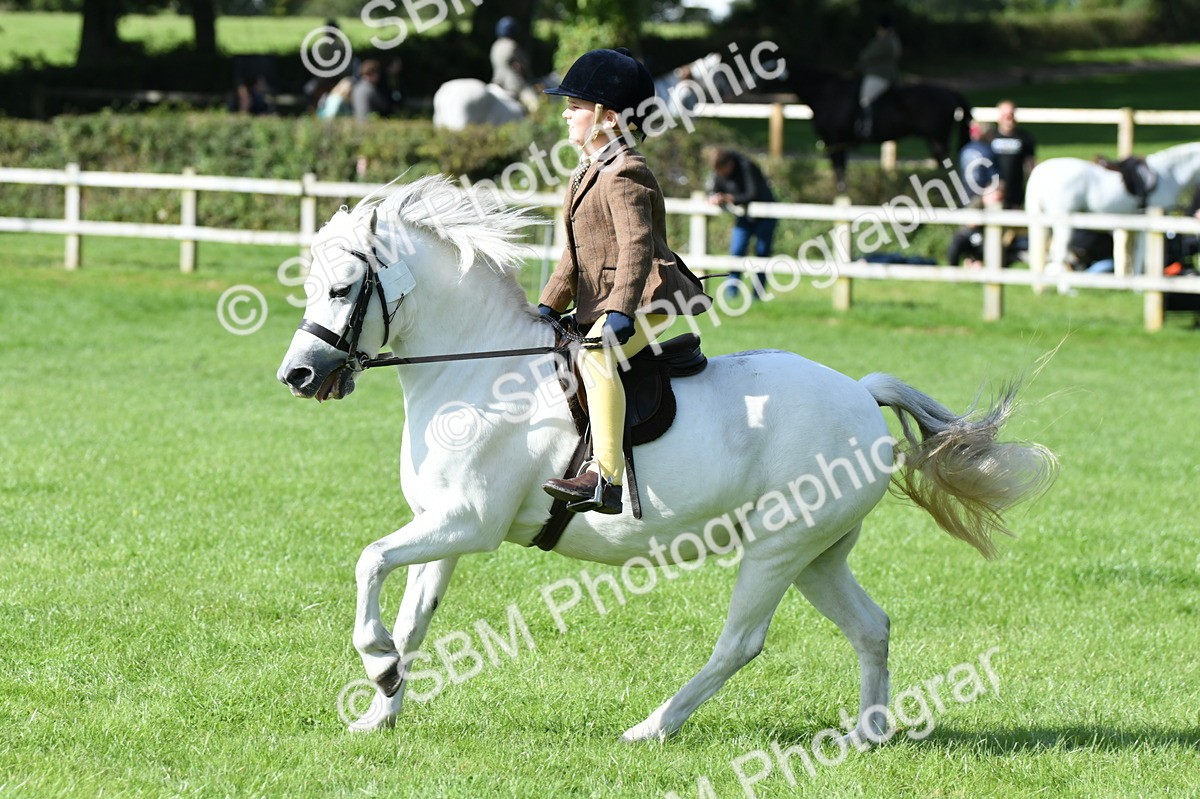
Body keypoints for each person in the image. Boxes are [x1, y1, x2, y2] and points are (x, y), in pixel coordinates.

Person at [537, 48, 713, 515]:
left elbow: (636, 247)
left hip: (647, 296)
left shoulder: (625, 171)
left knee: (596, 359)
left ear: (606, 117)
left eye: (575, 107)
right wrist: (547, 307)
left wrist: (619, 312)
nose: (566, 114)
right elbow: (573, 258)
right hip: (610, 299)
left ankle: (605, 478)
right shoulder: (586, 172)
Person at [706, 148, 777, 298]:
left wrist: (730, 198)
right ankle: (732, 293)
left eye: (722, 170)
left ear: (729, 164)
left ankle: (758, 295)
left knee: (762, 254)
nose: (721, 174)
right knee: (736, 252)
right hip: (744, 216)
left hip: (765, 216)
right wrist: (716, 197)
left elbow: (753, 194)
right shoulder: (720, 172)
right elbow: (716, 189)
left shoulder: (746, 167)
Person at [948, 122, 1003, 268]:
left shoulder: (965, 149)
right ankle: (975, 261)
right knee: (974, 232)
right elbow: (994, 179)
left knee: (968, 231)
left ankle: (968, 261)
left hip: (964, 195)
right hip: (979, 198)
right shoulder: (988, 151)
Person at [854, 12, 901, 139]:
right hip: (887, 74)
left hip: (878, 75)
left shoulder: (884, 40)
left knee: (865, 99)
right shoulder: (893, 39)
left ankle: (867, 126)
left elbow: (867, 56)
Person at [987, 100, 1036, 210]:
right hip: (994, 192)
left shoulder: (1025, 138)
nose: (1008, 118)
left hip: (1016, 192)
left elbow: (1030, 164)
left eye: (1011, 114)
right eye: (1005, 115)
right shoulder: (990, 138)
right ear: (998, 117)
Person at [490, 16, 538, 113]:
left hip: (497, 81)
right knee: (535, 104)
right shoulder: (513, 45)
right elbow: (525, 63)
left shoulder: (495, 45)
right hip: (513, 83)